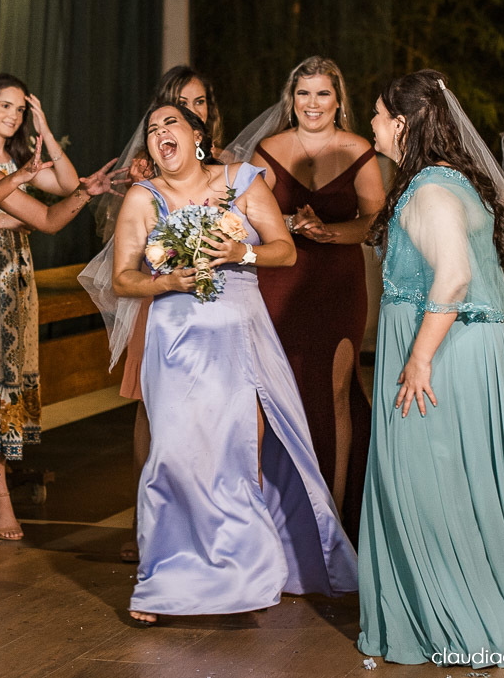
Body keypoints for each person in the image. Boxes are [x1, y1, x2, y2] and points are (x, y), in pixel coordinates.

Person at [357, 70, 504, 667]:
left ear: (403, 124)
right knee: (468, 487)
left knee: (431, 489)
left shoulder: (432, 191)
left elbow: (456, 276)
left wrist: (417, 358)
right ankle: (487, 606)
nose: (372, 125)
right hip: (465, 350)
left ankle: (464, 619)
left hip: (443, 355)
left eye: (379, 115)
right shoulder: (448, 182)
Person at [111, 100, 357, 625]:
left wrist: (236, 253)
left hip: (238, 335)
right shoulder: (143, 197)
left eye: (170, 124)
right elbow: (122, 280)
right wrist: (166, 281)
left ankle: (245, 573)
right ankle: (163, 578)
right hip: (176, 339)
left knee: (237, 448)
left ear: (196, 135)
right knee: (173, 454)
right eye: (152, 129)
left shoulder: (242, 180)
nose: (159, 135)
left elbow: (284, 250)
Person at [86, 64, 225, 563]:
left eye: (200, 103)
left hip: (218, 305)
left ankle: (209, 519)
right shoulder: (146, 179)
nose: (192, 111)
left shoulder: (229, 173)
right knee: (151, 409)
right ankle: (145, 518)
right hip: (159, 299)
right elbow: (117, 248)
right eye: (181, 103)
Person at [247, 56, 384, 540]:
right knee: (274, 396)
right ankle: (273, 520)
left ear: (338, 99)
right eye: (303, 93)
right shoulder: (267, 150)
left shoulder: (360, 150)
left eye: (322, 93)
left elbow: (374, 222)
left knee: (333, 396)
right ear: (292, 99)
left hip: (337, 283)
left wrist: (329, 231)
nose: (312, 103)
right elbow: (249, 215)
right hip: (281, 282)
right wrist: (289, 224)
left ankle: (333, 523)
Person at [0, 74, 84, 540]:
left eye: (14, 110)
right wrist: (2, 217)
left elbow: (62, 195)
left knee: (6, 386)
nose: (7, 117)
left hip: (14, 280)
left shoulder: (6, 163)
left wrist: (45, 132)